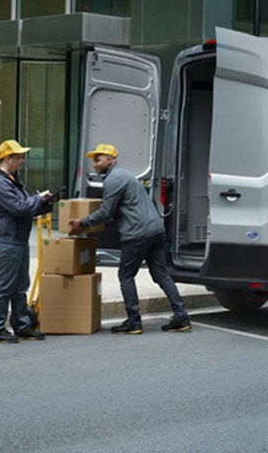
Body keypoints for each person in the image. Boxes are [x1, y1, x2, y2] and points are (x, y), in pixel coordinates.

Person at [71, 143, 190, 334]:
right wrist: (93, 224)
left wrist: (82, 223)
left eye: (98, 159)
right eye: (93, 159)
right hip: (155, 229)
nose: (94, 164)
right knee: (161, 275)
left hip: (138, 233)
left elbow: (105, 211)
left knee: (125, 275)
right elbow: (116, 214)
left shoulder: (113, 180)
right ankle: (182, 317)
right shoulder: (125, 175)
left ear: (110, 160)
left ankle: (134, 321)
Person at [0, 139, 54, 344]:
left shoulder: (13, 179)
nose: (22, 161)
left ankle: (22, 326)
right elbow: (19, 208)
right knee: (5, 287)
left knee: (20, 285)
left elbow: (27, 207)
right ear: (8, 159)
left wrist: (46, 204)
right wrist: (38, 198)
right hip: (6, 242)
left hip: (17, 240)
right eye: (18, 158)